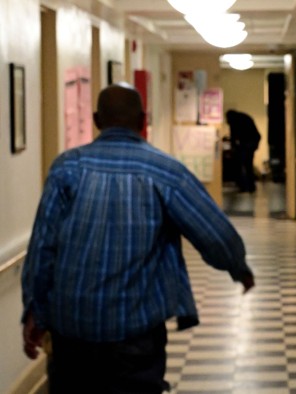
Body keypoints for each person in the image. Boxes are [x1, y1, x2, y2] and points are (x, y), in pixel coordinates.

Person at [20, 84, 255, 393]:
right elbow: (215, 234)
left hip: (71, 333)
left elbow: (43, 248)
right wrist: (238, 268)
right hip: (134, 337)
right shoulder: (165, 171)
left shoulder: (67, 168)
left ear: (95, 119)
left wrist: (35, 311)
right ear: (143, 120)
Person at [225, 109, 261, 193]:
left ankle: (244, 186)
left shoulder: (235, 121)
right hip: (251, 142)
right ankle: (250, 186)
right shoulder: (243, 117)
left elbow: (234, 137)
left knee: (243, 164)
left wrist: (233, 147)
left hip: (249, 142)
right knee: (248, 165)